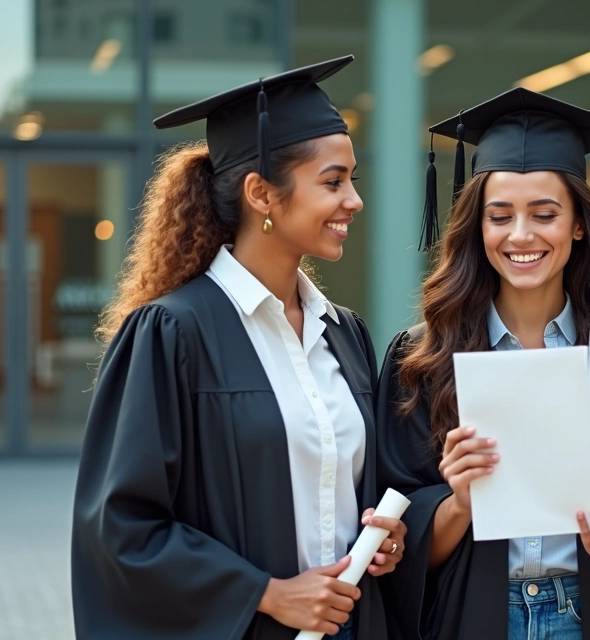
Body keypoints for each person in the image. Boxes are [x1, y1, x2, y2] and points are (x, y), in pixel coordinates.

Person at [70, 55, 406, 640]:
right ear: (262, 194)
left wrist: (383, 541)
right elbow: (121, 530)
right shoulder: (173, 333)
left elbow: (353, 491)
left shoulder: (342, 332)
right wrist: (267, 595)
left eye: (352, 179)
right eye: (333, 182)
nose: (354, 200)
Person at [376, 87, 590, 640]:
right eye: (500, 216)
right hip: (473, 617)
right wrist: (460, 502)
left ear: (578, 224)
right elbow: (399, 548)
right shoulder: (424, 358)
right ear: (478, 228)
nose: (521, 235)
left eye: (545, 214)